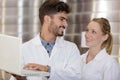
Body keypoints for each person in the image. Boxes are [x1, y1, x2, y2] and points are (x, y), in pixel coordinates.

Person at [10, 0, 81, 80]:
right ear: (47, 19)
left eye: (66, 20)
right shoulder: (24, 49)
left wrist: (48, 70)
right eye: (61, 19)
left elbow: (77, 76)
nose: (65, 24)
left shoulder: (71, 48)